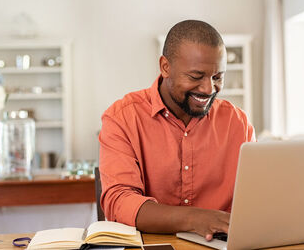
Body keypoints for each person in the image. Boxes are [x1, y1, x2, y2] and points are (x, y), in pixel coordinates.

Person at [99, 20, 255, 241]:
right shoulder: (122, 118)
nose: (209, 89)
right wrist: (195, 219)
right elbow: (119, 202)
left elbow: (255, 200)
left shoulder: (238, 123)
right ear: (165, 67)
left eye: (217, 77)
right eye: (196, 76)